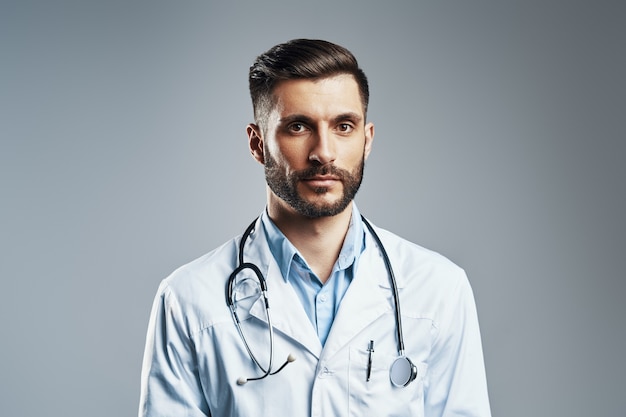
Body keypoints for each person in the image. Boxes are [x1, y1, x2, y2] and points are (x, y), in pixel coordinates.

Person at [139, 38, 491, 417]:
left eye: (343, 126)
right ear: (257, 144)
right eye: (298, 126)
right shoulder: (188, 300)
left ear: (366, 140)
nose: (323, 152)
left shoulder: (438, 289)